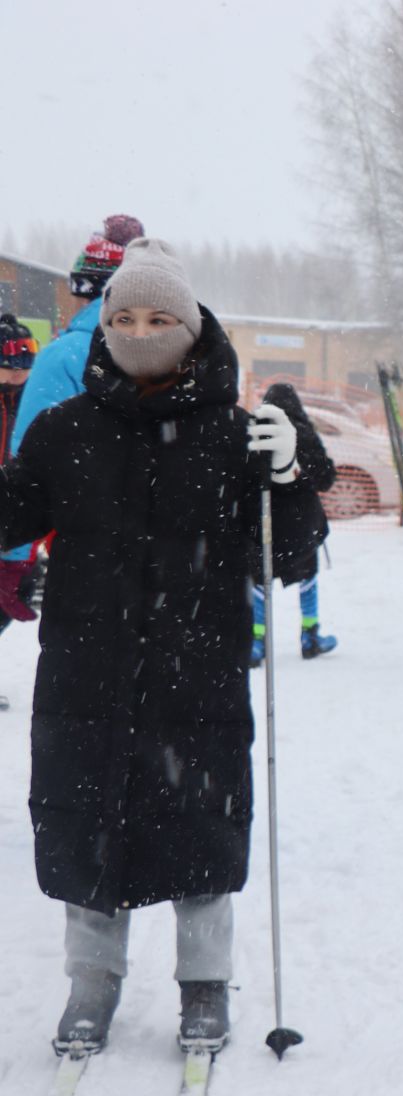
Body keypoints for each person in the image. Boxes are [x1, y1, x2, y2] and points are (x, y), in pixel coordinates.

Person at [0, 239, 325, 1052]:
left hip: (198, 670)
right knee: (89, 828)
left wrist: (291, 475)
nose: (142, 331)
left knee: (198, 829)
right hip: (88, 670)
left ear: (191, 325)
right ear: (103, 327)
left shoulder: (232, 435)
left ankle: (205, 984)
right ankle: (90, 985)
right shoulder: (66, 430)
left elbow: (288, 558)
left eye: (160, 317)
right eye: (125, 318)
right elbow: (8, 515)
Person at [6, 215, 147, 599]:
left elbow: (27, 466)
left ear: (87, 292)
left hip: (86, 555)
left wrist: (13, 559)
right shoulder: (175, 355)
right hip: (171, 563)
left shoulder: (63, 357)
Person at [249, 383, 340, 663]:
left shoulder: (253, 433)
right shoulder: (304, 432)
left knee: (260, 580)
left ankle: (257, 639)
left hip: (263, 522)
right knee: (307, 576)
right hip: (302, 521)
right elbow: (326, 478)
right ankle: (310, 634)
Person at [0, 314, 40, 625]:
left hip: (15, 515)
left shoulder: (34, 398)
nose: (19, 372)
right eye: (10, 364)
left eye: (25, 363)